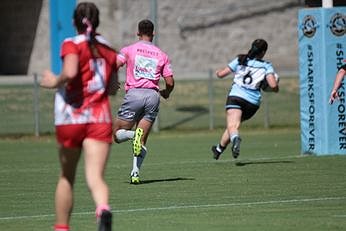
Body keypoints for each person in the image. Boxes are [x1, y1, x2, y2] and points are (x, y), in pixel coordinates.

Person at [40, 2, 119, 231]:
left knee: (67, 176)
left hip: (70, 119)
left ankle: (62, 227)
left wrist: (54, 80)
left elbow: (71, 71)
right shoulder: (108, 48)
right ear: (97, 22)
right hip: (99, 118)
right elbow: (113, 87)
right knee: (96, 178)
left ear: (74, 22)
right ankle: (103, 209)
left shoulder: (71, 44)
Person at [113, 19, 174, 184]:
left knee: (117, 134)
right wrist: (166, 93)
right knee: (141, 141)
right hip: (153, 97)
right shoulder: (162, 55)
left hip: (134, 95)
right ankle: (135, 173)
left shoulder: (129, 50)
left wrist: (112, 81)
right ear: (153, 33)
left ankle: (132, 134)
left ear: (138, 33)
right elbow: (169, 82)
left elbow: (114, 64)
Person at [211, 39, 279, 160]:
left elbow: (221, 74)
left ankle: (236, 140)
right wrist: (275, 88)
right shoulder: (266, 66)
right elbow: (273, 85)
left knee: (233, 126)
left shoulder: (240, 59)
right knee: (234, 126)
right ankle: (218, 149)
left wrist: (217, 73)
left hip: (236, 97)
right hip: (252, 103)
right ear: (263, 52)